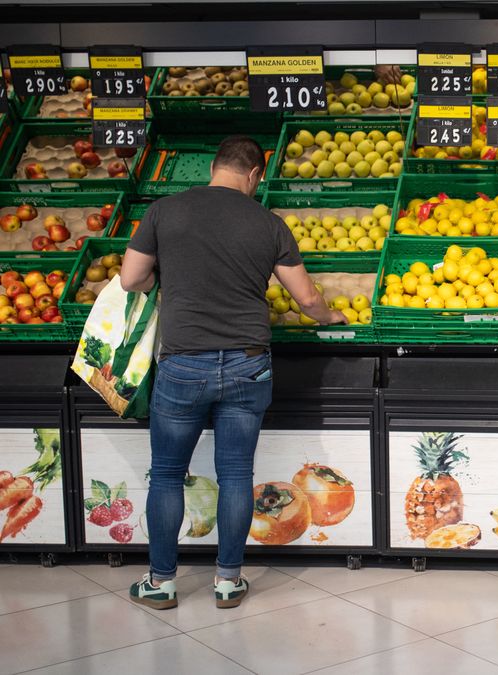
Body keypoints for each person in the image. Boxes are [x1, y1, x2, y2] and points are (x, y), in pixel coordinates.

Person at [120, 135, 345, 610]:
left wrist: (170, 279)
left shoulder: (164, 211)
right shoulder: (269, 223)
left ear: (214, 167)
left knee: (165, 475)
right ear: (254, 175)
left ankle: (161, 582)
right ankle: (227, 580)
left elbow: (130, 278)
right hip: (247, 362)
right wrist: (332, 318)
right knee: (237, 474)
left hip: (183, 362)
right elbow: (306, 299)